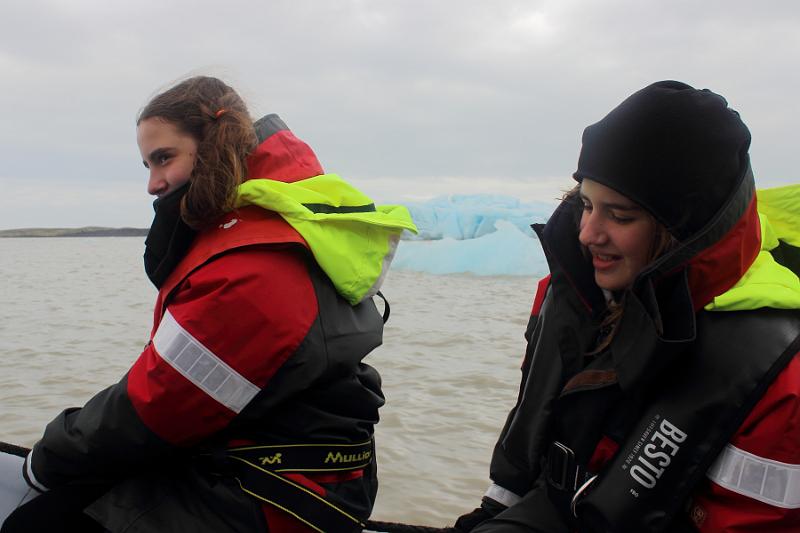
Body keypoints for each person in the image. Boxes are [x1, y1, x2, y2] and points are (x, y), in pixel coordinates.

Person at [1, 76, 416, 532]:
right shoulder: (274, 226)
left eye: (164, 158)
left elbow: (160, 406)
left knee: (34, 526)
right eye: (146, 165)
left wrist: (48, 457)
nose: (153, 183)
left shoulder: (252, 265)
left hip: (276, 490)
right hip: (301, 469)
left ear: (216, 145)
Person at [454, 81, 800, 532]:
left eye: (619, 216)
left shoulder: (778, 377)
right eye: (585, 205)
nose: (587, 233)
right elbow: (527, 463)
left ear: (686, 229)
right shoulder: (568, 296)